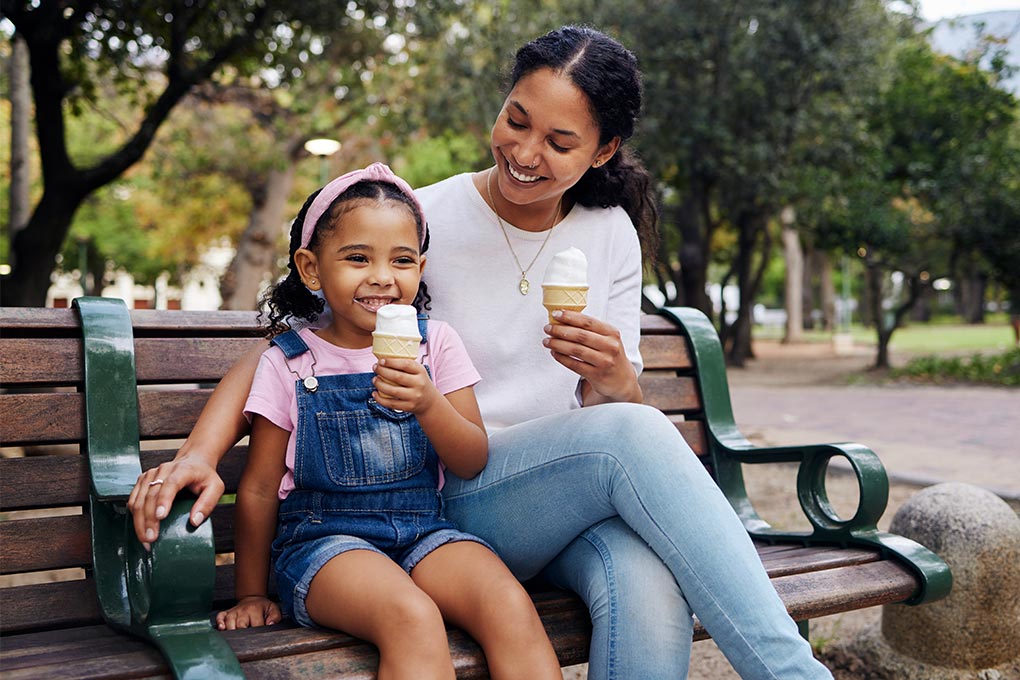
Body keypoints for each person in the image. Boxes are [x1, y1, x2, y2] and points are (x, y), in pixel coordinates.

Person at [129, 26, 832, 679]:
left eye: (560, 142)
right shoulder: (420, 222)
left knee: (648, 583)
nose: (526, 154)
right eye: (517, 120)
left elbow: (603, 415)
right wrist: (199, 449)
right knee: (635, 433)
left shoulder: (610, 232)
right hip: (442, 488)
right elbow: (293, 350)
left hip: (552, 499)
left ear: (604, 151)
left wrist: (616, 376)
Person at [211, 163, 561, 679]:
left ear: (420, 267)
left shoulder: (435, 344)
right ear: (311, 269)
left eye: (401, 260)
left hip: (423, 531)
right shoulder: (290, 362)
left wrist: (428, 403)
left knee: (507, 601)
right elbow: (260, 489)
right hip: (323, 544)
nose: (381, 276)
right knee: (411, 616)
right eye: (357, 258)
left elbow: (471, 458)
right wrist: (251, 594)